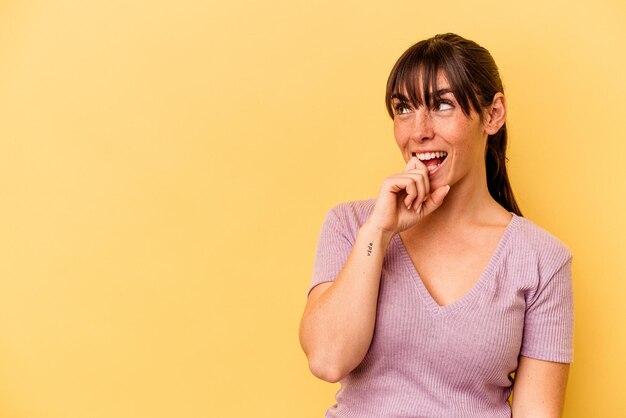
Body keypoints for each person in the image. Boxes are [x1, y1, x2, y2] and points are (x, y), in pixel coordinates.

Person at [299, 33, 573, 417]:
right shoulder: (352, 225)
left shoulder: (543, 260)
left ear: (492, 115)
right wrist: (378, 231)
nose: (418, 131)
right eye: (404, 108)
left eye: (442, 105)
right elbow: (328, 360)